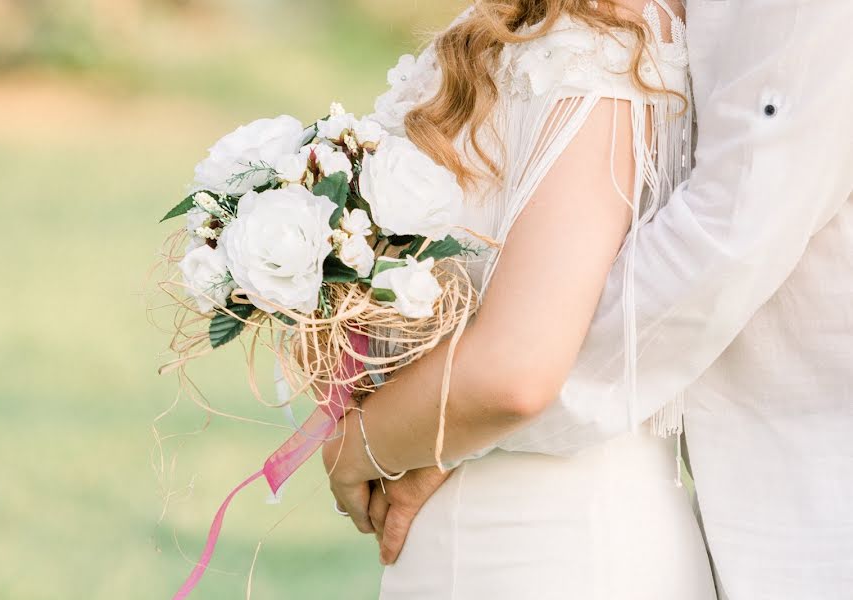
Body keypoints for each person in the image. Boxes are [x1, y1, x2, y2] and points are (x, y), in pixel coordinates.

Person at [327, 0, 853, 598]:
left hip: (550, 536)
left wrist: (383, 439)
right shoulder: (542, 23)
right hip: (488, 529)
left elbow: (523, 366)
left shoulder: (597, 45)